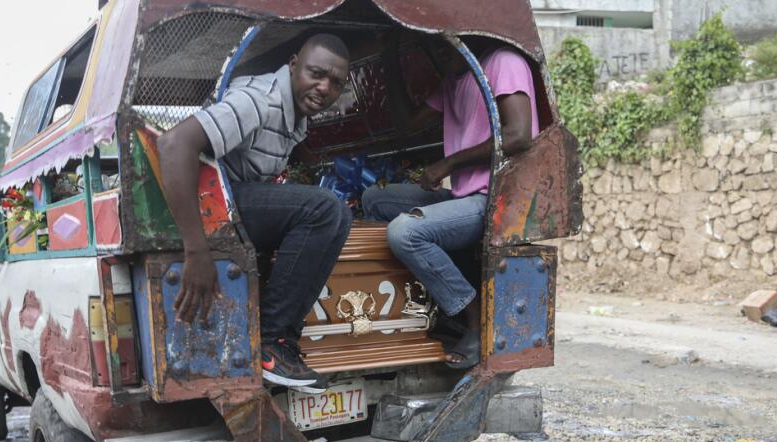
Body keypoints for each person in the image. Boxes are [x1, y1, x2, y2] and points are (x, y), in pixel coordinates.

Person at [158, 34, 352, 394]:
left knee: (334, 212)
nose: (324, 88)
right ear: (294, 65)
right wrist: (196, 250)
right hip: (209, 207)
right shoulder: (257, 100)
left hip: (236, 201)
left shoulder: (296, 113)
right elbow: (174, 144)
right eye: (316, 73)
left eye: (336, 83)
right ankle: (272, 343)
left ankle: (279, 341)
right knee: (326, 209)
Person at [362, 36, 538, 369]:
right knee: (376, 200)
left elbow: (518, 135)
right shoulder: (454, 80)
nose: (440, 50)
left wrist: (449, 163)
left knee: (405, 232)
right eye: (432, 43)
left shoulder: (502, 62)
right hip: (462, 196)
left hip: (492, 200)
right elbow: (405, 126)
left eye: (445, 41)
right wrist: (388, 55)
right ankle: (431, 304)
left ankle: (474, 320)